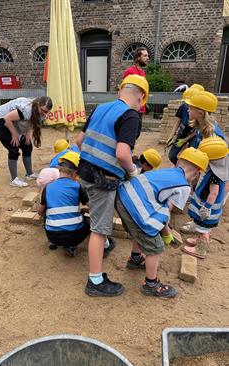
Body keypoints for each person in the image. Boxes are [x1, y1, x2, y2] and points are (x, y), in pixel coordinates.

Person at [76, 74, 149, 297]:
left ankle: (105, 249)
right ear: (142, 97)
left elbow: (79, 141)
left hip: (85, 171)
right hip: (103, 180)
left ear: (119, 92)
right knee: (99, 229)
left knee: (100, 221)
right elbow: (122, 153)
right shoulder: (131, 116)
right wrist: (132, 170)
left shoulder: (101, 107)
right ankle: (95, 281)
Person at [115, 147, 209, 298]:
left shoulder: (167, 172)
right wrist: (166, 234)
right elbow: (165, 213)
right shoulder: (183, 187)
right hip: (134, 206)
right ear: (198, 172)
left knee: (142, 229)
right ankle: (151, 284)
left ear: (178, 162)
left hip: (122, 196)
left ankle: (135, 258)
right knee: (155, 245)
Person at [181, 137, 229, 259]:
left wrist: (206, 208)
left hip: (207, 207)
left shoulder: (215, 176)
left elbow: (213, 193)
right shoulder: (218, 170)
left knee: (204, 229)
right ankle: (200, 241)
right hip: (206, 203)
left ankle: (201, 249)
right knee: (203, 227)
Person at [0, 96, 53, 187]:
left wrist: (28, 132)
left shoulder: (40, 113)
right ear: (38, 105)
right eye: (43, 110)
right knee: (13, 146)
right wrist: (14, 134)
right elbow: (7, 118)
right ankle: (13, 179)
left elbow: (30, 121)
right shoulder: (26, 110)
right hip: (2, 118)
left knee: (27, 145)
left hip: (14, 121)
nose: (44, 113)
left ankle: (29, 174)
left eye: (47, 111)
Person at [167, 84, 204, 165]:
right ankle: (180, 169)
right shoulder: (183, 107)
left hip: (193, 136)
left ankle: (186, 170)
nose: (187, 107)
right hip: (182, 133)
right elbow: (177, 122)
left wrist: (185, 140)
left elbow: (197, 131)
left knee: (191, 158)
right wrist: (171, 136)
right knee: (172, 156)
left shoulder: (199, 113)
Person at [123, 47, 149, 121]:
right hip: (132, 109)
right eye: (145, 56)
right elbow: (126, 92)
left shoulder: (143, 72)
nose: (147, 58)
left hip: (140, 108)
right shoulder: (130, 72)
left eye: (147, 55)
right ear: (138, 58)